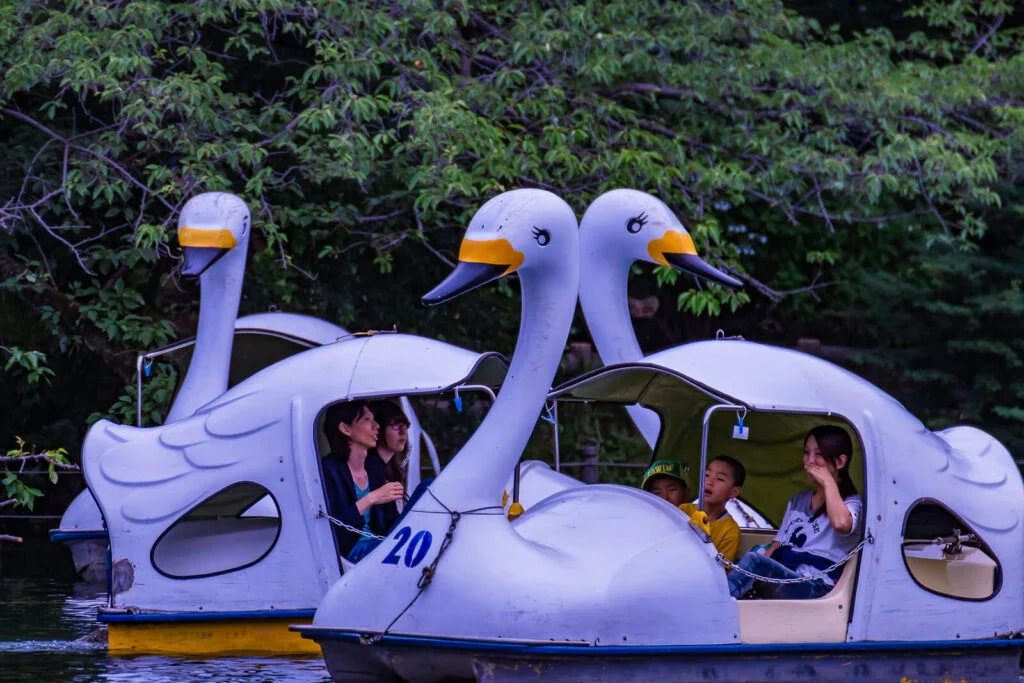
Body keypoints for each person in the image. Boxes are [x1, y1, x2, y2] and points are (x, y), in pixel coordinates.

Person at [727, 425, 862, 600]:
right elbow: (777, 544)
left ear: (840, 462)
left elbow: (842, 524)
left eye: (819, 454)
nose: (809, 461)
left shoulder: (853, 504)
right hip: (786, 574)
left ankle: (714, 609)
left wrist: (829, 482)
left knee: (754, 563)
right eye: (806, 453)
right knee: (742, 565)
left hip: (818, 585)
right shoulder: (798, 500)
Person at [320, 400, 404, 562]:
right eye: (367, 420)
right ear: (345, 428)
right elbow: (332, 531)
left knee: (426, 487)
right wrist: (371, 498)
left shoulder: (373, 466)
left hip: (381, 543)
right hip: (353, 552)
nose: (376, 426)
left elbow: (390, 521)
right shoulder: (328, 470)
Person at [678, 455, 745, 562]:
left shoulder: (730, 531)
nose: (709, 481)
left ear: (734, 492)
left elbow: (720, 570)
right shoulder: (683, 510)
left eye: (720, 479)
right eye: (707, 475)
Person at [368, 400, 410, 486]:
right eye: (396, 425)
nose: (403, 432)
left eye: (405, 426)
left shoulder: (394, 470)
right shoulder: (370, 467)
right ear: (378, 428)